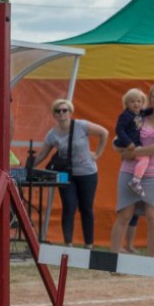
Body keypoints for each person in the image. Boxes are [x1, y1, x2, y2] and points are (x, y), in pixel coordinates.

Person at [109, 83, 154, 257]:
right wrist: (122, 150)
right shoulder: (139, 116)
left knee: (153, 218)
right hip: (129, 171)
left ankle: (152, 265)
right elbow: (117, 140)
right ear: (149, 99)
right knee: (124, 215)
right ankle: (111, 261)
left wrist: (133, 152)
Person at [33, 99, 108, 248]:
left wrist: (98, 154)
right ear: (54, 114)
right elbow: (43, 154)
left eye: (64, 110)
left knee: (86, 207)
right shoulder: (52, 134)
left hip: (87, 172)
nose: (61, 113)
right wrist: (27, 167)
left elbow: (104, 133)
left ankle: (89, 244)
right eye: (58, 111)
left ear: (70, 112)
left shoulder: (81, 126)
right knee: (68, 206)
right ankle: (68, 243)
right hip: (66, 174)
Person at [113, 88, 151, 198]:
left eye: (139, 101)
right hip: (125, 142)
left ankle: (135, 177)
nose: (136, 104)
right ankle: (135, 181)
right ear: (127, 103)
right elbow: (119, 130)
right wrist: (128, 142)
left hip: (133, 142)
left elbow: (150, 111)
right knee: (144, 158)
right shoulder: (126, 115)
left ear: (143, 103)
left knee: (138, 157)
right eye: (132, 101)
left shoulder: (141, 113)